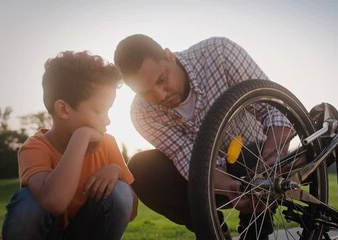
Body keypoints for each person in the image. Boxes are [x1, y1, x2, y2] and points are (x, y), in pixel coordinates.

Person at [114, 35, 292, 240]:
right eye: (147, 93)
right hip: (207, 178)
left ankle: (256, 224)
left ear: (169, 56)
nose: (161, 95)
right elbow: (187, 159)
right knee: (142, 168)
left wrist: (271, 164)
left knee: (252, 154)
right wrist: (231, 189)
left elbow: (274, 108)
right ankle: (211, 229)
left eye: (162, 80)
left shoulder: (219, 52)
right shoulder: (141, 112)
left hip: (257, 158)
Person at [1, 51, 138, 240]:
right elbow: (54, 202)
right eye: (99, 110)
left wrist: (118, 172)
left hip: (83, 232)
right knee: (29, 200)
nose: (107, 120)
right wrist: (80, 138)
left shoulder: (107, 144)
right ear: (64, 109)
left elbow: (129, 209)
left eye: (108, 110)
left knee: (120, 190)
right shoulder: (33, 148)